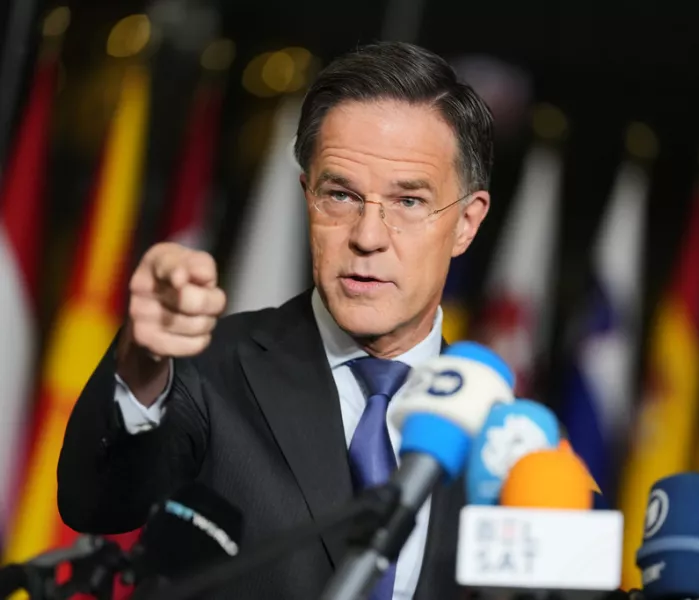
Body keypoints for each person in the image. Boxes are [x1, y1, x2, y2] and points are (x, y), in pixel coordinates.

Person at [57, 40, 493, 600]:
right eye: (341, 195)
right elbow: (96, 502)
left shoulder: (500, 435)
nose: (367, 237)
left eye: (408, 202)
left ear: (466, 223)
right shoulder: (205, 369)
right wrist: (142, 363)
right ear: (308, 195)